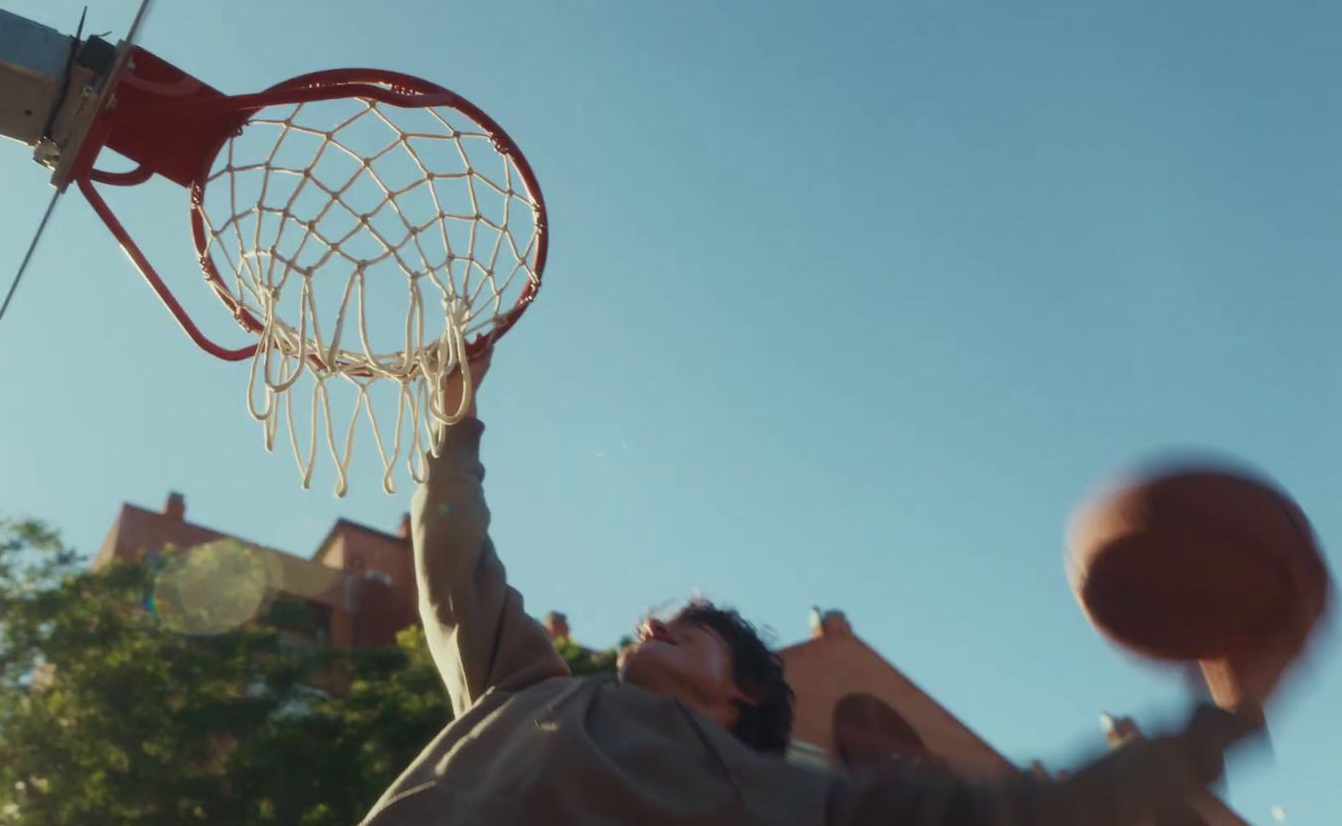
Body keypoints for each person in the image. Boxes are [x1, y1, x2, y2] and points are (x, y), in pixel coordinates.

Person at [361, 352, 1291, 825]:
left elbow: (1014, 815)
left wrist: (1226, 718)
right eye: (657, 618)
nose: (651, 622)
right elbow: (453, 567)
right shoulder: (528, 685)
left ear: (745, 691)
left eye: (695, 626)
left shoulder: (776, 800)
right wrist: (456, 426)